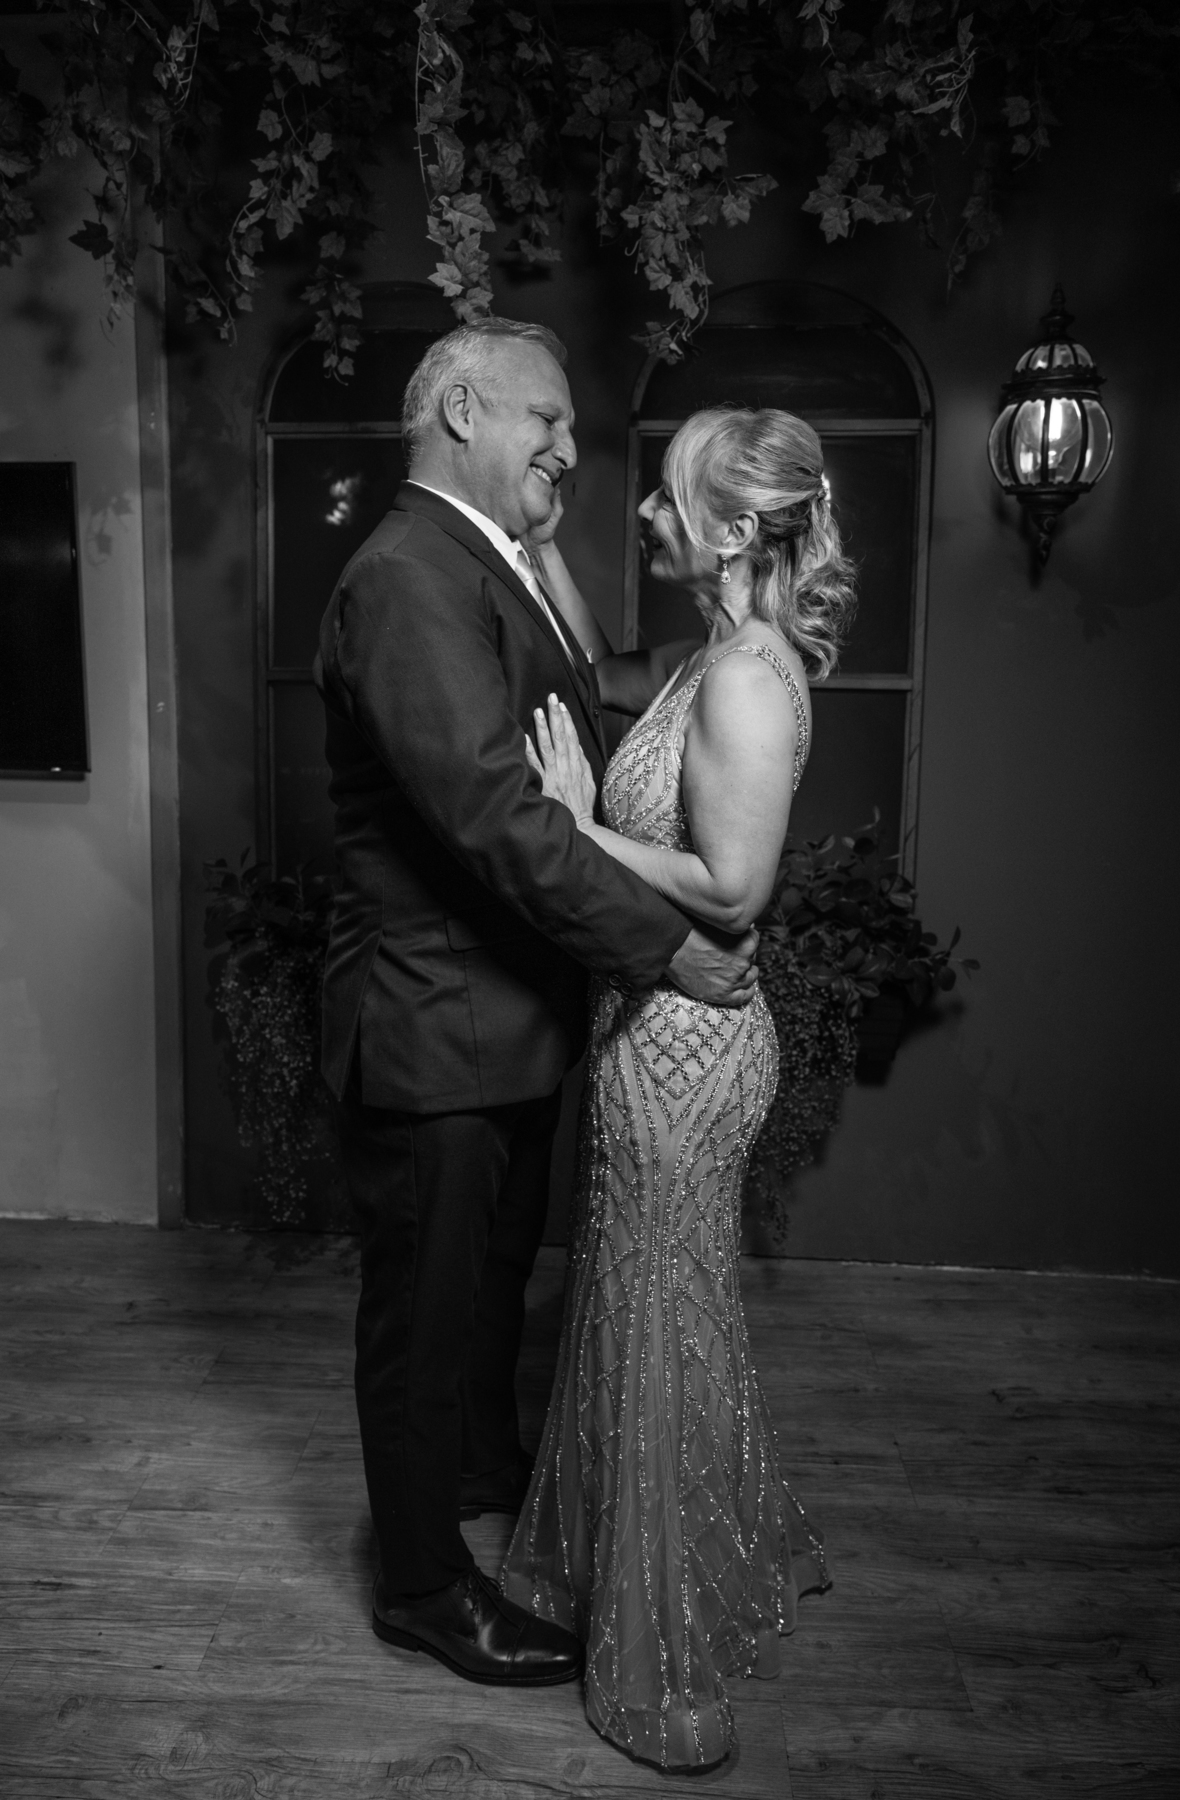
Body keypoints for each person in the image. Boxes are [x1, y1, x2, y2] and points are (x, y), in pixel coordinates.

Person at [314, 320, 760, 1689]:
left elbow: (592, 704)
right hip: (431, 1023)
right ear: (462, 409)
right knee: (424, 1314)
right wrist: (666, 951)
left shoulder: (481, 561)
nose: (570, 446)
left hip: (498, 1020)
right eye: (546, 420)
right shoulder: (407, 575)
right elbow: (497, 820)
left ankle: (478, 1470)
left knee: (489, 1284)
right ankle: (421, 1587)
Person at [502, 406, 854, 1764]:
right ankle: (652, 1562)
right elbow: (598, 665)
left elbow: (735, 887)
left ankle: (665, 1665)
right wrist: (538, 538)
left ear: (730, 528)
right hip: (649, 1030)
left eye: (663, 499)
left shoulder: (750, 680)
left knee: (658, 1323)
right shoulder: (707, 655)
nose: (643, 515)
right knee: (645, 1310)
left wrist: (575, 825)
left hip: (688, 1055)